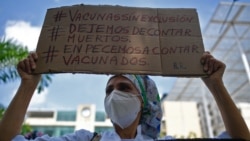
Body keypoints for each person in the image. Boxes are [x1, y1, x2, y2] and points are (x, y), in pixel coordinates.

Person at [0, 51, 249, 141]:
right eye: (109, 90)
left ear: (144, 101)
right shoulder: (83, 140)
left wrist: (216, 85)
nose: (114, 95)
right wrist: (28, 85)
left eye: (124, 88)